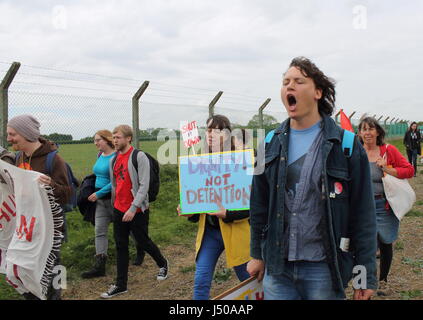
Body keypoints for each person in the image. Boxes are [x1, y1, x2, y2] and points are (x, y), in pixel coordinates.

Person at [247, 57, 378, 300]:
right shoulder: (269, 143)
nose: (289, 86)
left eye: (298, 81)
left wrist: (364, 275)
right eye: (285, 82)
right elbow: (258, 205)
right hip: (278, 269)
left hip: (324, 270)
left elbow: (364, 214)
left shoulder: (346, 145)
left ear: (318, 92)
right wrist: (257, 254)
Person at [177, 115, 251, 300]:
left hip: (237, 232)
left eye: (215, 131)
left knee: (248, 280)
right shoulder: (199, 161)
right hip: (210, 232)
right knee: (201, 280)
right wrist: (188, 209)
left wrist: (229, 214)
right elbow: (199, 199)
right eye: (208, 130)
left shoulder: (241, 161)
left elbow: (254, 205)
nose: (209, 134)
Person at [6, 114, 71, 300]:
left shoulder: (53, 160)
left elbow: (67, 193)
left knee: (53, 267)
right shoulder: (18, 157)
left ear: (26, 133)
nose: (9, 138)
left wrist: (51, 184)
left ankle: (56, 296)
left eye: (12, 134)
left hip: (51, 227)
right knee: (25, 268)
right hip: (27, 225)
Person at [101, 125, 168, 299]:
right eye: (113, 137)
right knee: (121, 245)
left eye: (118, 137)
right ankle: (121, 284)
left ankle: (163, 263)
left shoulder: (139, 157)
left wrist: (133, 208)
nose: (115, 140)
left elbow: (144, 185)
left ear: (128, 138)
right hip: (119, 208)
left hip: (137, 209)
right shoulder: (112, 160)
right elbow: (115, 184)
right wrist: (116, 204)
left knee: (143, 241)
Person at [358, 117, 414, 295]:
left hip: (384, 205)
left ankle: (383, 279)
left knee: (386, 241)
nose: (367, 132)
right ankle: (364, 282)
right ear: (359, 133)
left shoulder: (388, 150)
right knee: (365, 244)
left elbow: (409, 170)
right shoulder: (355, 152)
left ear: (378, 132)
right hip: (363, 207)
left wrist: (387, 168)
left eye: (371, 129)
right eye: (364, 129)